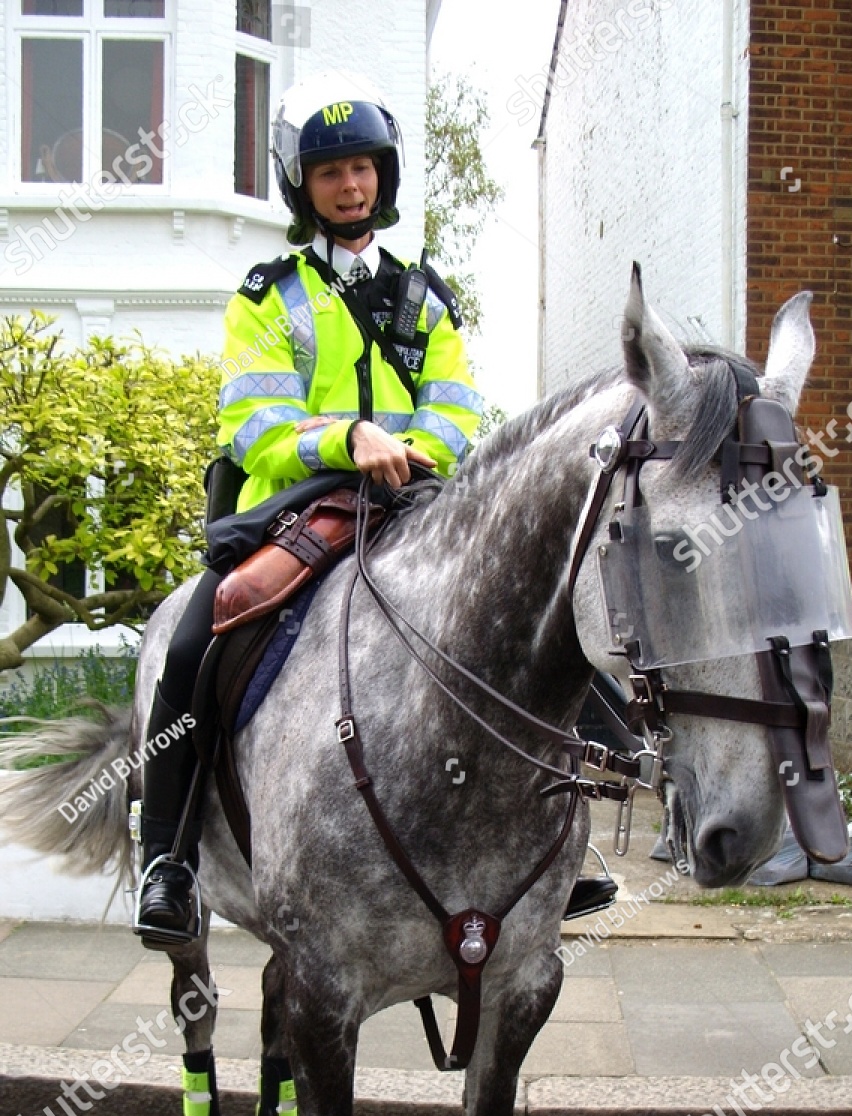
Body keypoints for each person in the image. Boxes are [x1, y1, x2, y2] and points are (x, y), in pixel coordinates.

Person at [133, 71, 613, 945]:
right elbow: (251, 421)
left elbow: (459, 407)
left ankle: (563, 846)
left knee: (545, 624)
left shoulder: (427, 296)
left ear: (382, 179)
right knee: (198, 639)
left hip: (417, 503)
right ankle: (166, 859)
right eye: (330, 174)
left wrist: (416, 454)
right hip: (299, 505)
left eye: (362, 169)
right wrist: (344, 438)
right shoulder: (266, 295)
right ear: (304, 188)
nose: (350, 187)